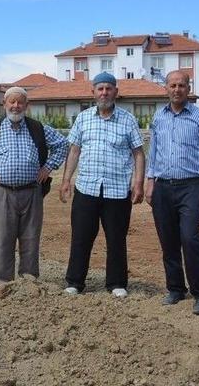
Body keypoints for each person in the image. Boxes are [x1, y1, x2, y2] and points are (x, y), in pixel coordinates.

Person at [0, 87, 68, 282]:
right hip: (2, 193)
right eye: (11, 102)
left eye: (20, 102)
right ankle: (3, 282)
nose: (16, 106)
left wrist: (48, 167)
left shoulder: (37, 128)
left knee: (30, 239)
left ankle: (29, 281)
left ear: (26, 106)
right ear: (4, 104)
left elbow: (63, 144)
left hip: (32, 193)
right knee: (4, 239)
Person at [59, 72, 145, 298]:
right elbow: (74, 150)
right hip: (86, 188)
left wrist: (138, 183)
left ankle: (116, 283)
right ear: (93, 92)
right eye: (100, 88)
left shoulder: (128, 120)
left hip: (117, 191)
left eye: (108, 88)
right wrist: (66, 180)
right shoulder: (83, 118)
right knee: (81, 237)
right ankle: (75, 282)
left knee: (116, 238)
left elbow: (138, 154)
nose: (104, 92)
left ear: (116, 92)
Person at [144, 70, 199, 315]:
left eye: (181, 85)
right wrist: (150, 182)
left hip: (192, 187)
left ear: (189, 88)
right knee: (168, 240)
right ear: (165, 88)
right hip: (163, 187)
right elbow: (153, 153)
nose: (176, 89)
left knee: (190, 238)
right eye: (172, 85)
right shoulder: (159, 117)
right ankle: (175, 289)